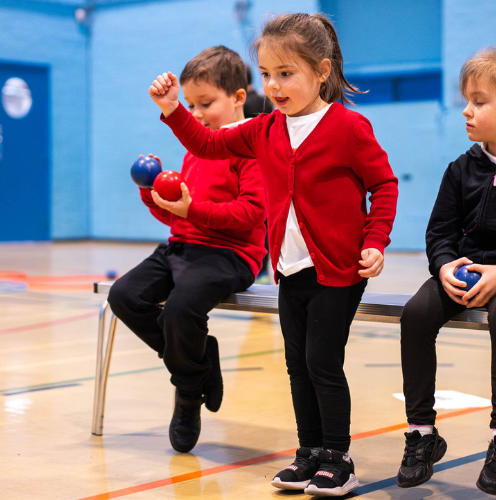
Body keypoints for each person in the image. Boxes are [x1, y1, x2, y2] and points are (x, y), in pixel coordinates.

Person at [149, 12, 399, 496]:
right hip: (289, 270)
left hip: (337, 269)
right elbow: (204, 140)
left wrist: (375, 240)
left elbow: (383, 185)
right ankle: (308, 454)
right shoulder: (264, 128)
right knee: (296, 365)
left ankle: (337, 458)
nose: (275, 85)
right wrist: (172, 107)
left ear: (321, 71)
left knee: (322, 363)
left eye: (286, 74)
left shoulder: (348, 127)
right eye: (267, 74)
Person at [103, 46, 266, 453]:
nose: (193, 114)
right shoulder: (196, 147)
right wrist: (151, 195)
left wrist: (194, 209)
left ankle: (187, 396)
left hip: (231, 254)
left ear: (238, 98)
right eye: (189, 105)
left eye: (204, 104)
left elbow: (251, 214)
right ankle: (196, 369)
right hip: (183, 246)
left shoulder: (250, 146)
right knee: (123, 295)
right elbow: (180, 219)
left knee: (179, 310)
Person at [396, 47, 496, 495]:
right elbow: (439, 233)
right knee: (414, 314)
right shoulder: (461, 169)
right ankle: (422, 434)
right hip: (466, 271)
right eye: (466, 100)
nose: (466, 111)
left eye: (479, 101)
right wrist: (445, 264)